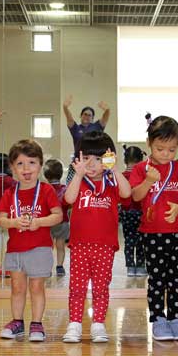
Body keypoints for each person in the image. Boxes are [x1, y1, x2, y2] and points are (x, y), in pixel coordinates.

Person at [130, 116, 178, 341]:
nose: (166, 154)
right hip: (152, 234)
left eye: (172, 149)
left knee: (177, 279)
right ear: (149, 143)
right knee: (157, 279)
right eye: (160, 149)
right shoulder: (141, 168)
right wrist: (148, 181)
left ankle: (176, 318)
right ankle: (158, 319)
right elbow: (136, 196)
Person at [62, 131, 131, 343]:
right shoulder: (80, 182)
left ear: (108, 159)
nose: (91, 164)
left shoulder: (111, 183)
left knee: (101, 288)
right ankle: (74, 324)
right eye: (86, 158)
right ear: (78, 159)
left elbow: (127, 194)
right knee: (77, 288)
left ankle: (98, 324)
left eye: (99, 159)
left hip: (105, 246)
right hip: (80, 245)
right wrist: (79, 174)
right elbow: (68, 198)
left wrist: (115, 169)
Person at [0, 140, 63, 342]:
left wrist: (38, 222)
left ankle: (37, 324)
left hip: (40, 249)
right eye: (20, 164)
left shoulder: (46, 191)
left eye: (32, 163)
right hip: (15, 249)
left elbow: (58, 216)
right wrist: (13, 221)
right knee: (17, 288)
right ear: (11, 168)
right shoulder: (9, 193)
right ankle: (17, 322)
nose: (26, 169)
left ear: (41, 165)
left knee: (36, 287)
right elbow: (0, 220)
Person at [62, 95, 110, 183]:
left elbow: (105, 117)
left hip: (94, 162)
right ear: (81, 116)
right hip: (79, 162)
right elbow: (69, 118)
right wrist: (65, 107)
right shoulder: (75, 128)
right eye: (85, 114)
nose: (87, 116)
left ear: (92, 118)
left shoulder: (97, 126)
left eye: (89, 115)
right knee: (73, 185)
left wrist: (107, 110)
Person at [119, 145, 146, 277]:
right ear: (141, 160)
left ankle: (130, 267)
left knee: (129, 240)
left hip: (126, 212)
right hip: (141, 212)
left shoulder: (122, 176)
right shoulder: (143, 176)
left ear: (125, 160)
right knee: (141, 240)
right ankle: (140, 267)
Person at [43, 159, 70, 276]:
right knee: (60, 246)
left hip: (47, 222)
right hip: (62, 222)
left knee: (48, 247)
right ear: (61, 174)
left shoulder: (44, 189)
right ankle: (59, 267)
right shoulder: (65, 189)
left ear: (46, 175)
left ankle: (47, 268)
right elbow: (68, 203)